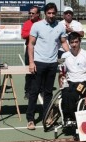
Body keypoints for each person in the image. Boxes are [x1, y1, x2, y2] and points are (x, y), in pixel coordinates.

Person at [26, 2, 70, 130]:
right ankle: (30, 119)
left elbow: (63, 43)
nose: (51, 15)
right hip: (38, 63)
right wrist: (31, 62)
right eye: (49, 13)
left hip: (52, 64)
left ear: (56, 14)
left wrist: (72, 54)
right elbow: (31, 44)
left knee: (48, 93)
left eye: (53, 13)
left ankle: (47, 118)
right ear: (45, 13)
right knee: (34, 92)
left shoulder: (60, 27)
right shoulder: (36, 25)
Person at [59, 32, 86, 125]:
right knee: (65, 93)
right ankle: (67, 118)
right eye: (72, 42)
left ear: (80, 42)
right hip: (70, 81)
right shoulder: (64, 56)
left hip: (83, 82)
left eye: (76, 42)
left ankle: (72, 118)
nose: (74, 44)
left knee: (73, 94)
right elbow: (61, 73)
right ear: (69, 43)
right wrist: (62, 86)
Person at [21, 5, 41, 100]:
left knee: (40, 71)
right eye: (30, 13)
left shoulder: (42, 23)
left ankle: (40, 90)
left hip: (41, 50)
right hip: (30, 49)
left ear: (38, 14)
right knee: (29, 72)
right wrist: (33, 33)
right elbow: (23, 35)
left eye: (33, 13)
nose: (31, 15)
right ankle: (27, 91)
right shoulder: (27, 23)